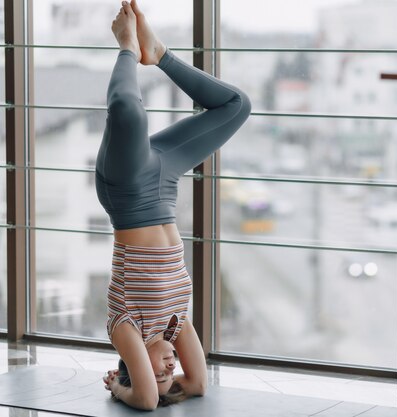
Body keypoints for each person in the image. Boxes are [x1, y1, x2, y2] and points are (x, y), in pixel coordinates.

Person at [98, 0, 250, 410]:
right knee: (237, 106)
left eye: (159, 372)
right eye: (171, 373)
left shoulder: (124, 327)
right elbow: (198, 385)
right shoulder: (173, 325)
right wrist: (175, 382)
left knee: (128, 112)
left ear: (132, 366)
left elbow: (146, 401)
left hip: (126, 191)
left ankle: (127, 46)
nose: (170, 367)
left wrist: (119, 389)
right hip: (164, 185)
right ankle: (158, 52)